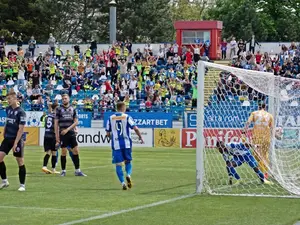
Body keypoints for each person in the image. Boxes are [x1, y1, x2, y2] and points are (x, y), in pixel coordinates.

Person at [105, 101, 144, 190]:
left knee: (118, 164)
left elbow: (107, 133)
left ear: (116, 108)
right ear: (123, 108)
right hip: (126, 144)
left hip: (116, 144)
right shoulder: (127, 117)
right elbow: (135, 128)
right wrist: (140, 137)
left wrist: (111, 137)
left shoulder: (110, 118)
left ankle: (123, 183)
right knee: (128, 161)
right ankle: (128, 175)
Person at [0, 89, 27, 191]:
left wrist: (16, 143)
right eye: (7, 99)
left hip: (17, 139)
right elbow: (7, 120)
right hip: (8, 137)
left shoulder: (21, 112)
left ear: (15, 99)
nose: (8, 101)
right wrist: (4, 130)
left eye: (9, 99)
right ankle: (4, 181)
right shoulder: (8, 109)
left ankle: (22, 185)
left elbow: (21, 129)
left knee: (19, 161)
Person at [54, 94, 86, 177]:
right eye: (63, 98)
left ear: (69, 99)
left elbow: (76, 122)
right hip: (62, 133)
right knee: (63, 152)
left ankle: (77, 170)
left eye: (65, 98)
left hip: (70, 133)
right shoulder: (58, 109)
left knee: (76, 151)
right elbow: (56, 123)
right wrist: (57, 137)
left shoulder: (73, 108)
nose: (64, 100)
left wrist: (68, 129)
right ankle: (63, 171)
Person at [245, 103, 274, 179]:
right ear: (265, 107)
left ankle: (262, 172)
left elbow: (248, 122)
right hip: (266, 138)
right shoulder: (270, 115)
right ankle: (265, 172)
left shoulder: (254, 113)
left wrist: (245, 130)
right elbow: (272, 128)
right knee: (265, 155)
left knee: (256, 155)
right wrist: (276, 136)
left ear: (258, 107)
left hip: (256, 138)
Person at [42, 103, 60, 174]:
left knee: (48, 152)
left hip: (46, 135)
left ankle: (44, 166)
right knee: (54, 153)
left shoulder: (49, 115)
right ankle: (53, 169)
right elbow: (56, 127)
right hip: (53, 135)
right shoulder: (56, 116)